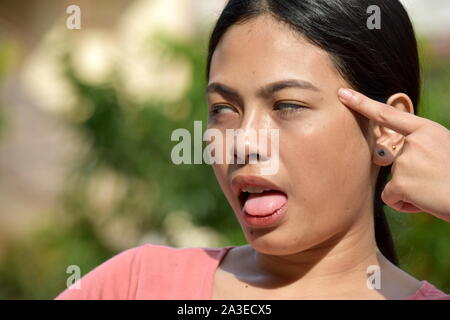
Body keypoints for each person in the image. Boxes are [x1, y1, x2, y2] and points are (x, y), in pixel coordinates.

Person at [55, 0, 450, 300]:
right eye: (223, 110)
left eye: (287, 105)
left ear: (385, 127)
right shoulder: (137, 285)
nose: (243, 141)